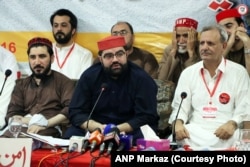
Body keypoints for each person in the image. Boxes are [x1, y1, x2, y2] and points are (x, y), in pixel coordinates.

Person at [64, 36, 159, 143]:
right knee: (71, 135)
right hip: (96, 129)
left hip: (129, 130)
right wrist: (99, 128)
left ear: (126, 55)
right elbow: (76, 112)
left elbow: (147, 115)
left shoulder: (142, 78)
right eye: (109, 56)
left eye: (119, 54)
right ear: (101, 59)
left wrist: (116, 130)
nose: (115, 60)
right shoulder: (89, 76)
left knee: (145, 135)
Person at [169, 25, 249, 149]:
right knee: (174, 138)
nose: (205, 47)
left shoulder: (239, 72)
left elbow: (244, 107)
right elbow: (179, 108)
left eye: (210, 43)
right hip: (195, 134)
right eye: (202, 43)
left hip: (226, 133)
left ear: (223, 46)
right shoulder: (188, 73)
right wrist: (178, 123)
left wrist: (233, 124)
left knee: (239, 139)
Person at [2, 37, 75, 138]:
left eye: (42, 56)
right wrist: (26, 121)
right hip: (22, 127)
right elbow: (13, 112)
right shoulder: (21, 84)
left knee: (28, 139)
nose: (37, 62)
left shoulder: (64, 82)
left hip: (50, 128)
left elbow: (70, 109)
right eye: (33, 57)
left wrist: (46, 123)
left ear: (52, 58)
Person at [94, 21, 159, 79]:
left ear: (133, 37)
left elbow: (151, 85)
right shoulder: (102, 59)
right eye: (115, 34)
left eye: (123, 32)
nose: (119, 36)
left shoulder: (146, 57)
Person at [50, 8, 93, 80]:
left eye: (64, 25)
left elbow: (83, 85)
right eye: (56, 25)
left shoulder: (85, 55)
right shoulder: (44, 51)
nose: (59, 29)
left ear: (73, 30)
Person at [158, 17, 201, 85]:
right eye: (177, 36)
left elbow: (198, 80)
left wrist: (191, 52)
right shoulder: (169, 50)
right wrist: (173, 52)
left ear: (195, 36)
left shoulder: (202, 50)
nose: (181, 41)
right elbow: (161, 80)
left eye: (186, 36)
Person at [216, 8, 250, 75]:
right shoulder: (218, 49)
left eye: (229, 26)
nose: (225, 32)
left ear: (241, 26)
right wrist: (229, 44)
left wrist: (247, 42)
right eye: (221, 29)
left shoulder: (248, 41)